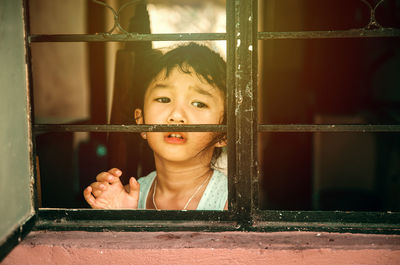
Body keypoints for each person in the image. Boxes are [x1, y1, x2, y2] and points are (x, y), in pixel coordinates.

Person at [83, 42, 228, 210]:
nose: (176, 116)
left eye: (198, 103)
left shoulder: (231, 203)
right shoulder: (129, 197)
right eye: (164, 99)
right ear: (141, 120)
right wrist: (119, 216)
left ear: (224, 134)